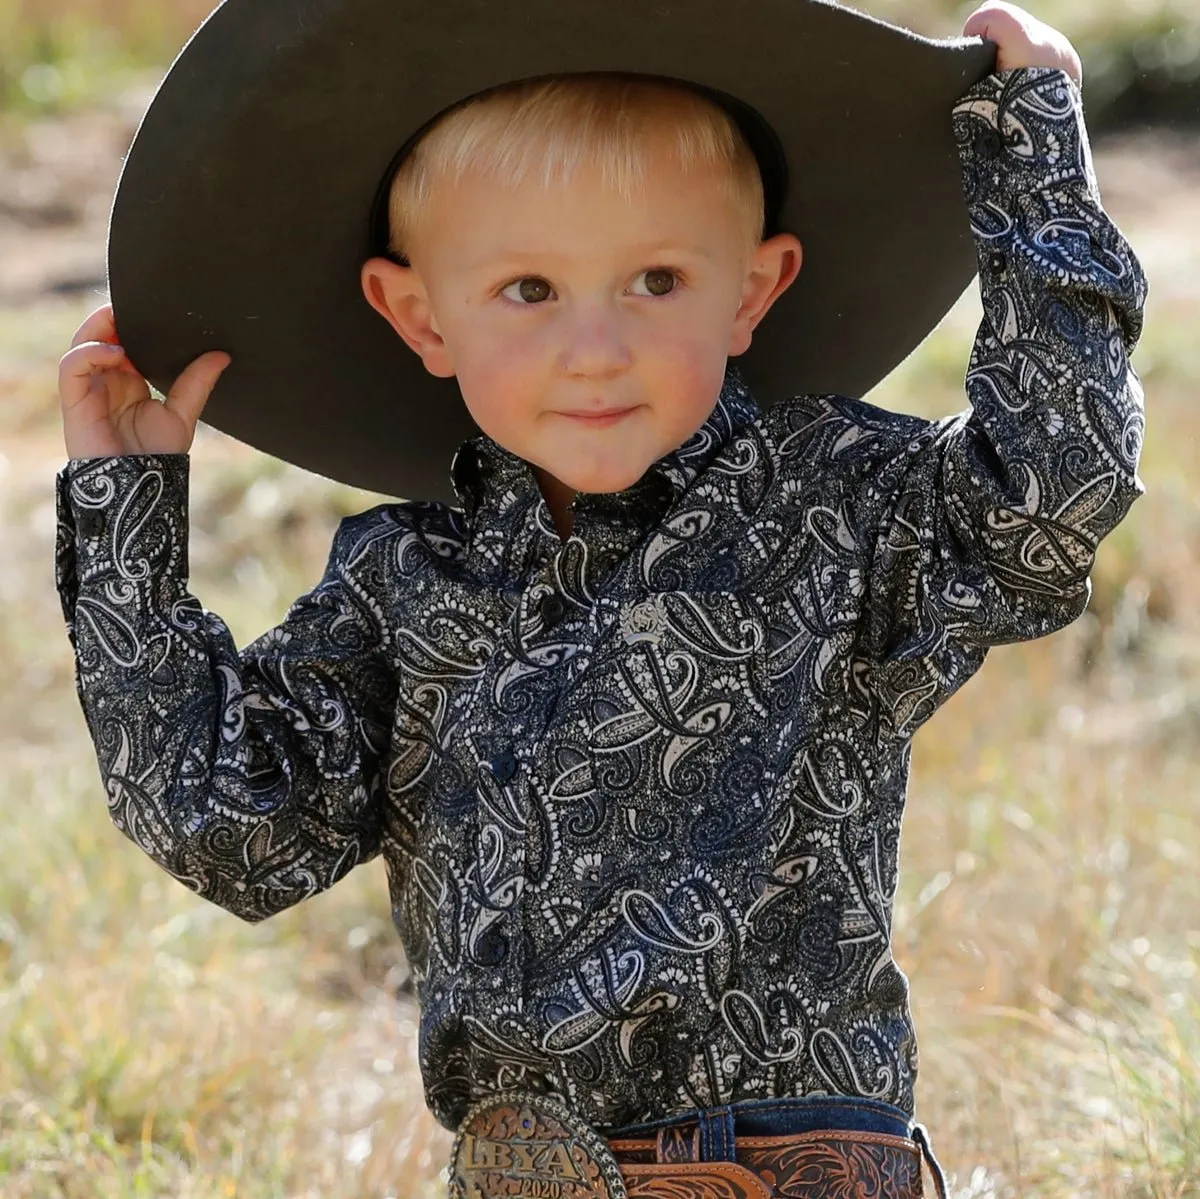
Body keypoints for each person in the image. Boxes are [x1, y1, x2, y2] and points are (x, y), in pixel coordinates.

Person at [55, 1, 1146, 1195]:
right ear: (420, 314)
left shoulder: (835, 505)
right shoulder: (401, 584)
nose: (596, 347)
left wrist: (1035, 150)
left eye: (657, 280)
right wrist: (124, 521)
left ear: (752, 289)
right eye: (528, 288)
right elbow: (230, 827)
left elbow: (1051, 492)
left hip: (790, 1170)